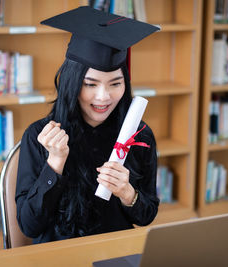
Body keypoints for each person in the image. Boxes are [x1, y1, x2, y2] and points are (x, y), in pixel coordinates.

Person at [15, 6, 160, 244]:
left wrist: (127, 193)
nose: (104, 97)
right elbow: (30, 226)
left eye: (115, 84)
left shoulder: (138, 135)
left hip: (114, 254)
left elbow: (147, 216)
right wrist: (54, 164)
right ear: (72, 84)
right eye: (90, 84)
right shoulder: (39, 136)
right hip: (59, 256)